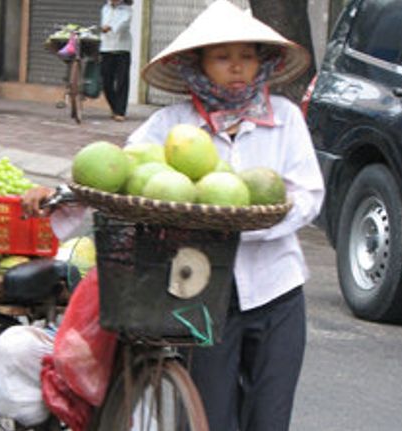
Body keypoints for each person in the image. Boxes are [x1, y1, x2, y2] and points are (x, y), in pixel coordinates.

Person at [25, 2, 323, 430]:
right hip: (198, 294)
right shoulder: (172, 124)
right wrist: (61, 196)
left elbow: (308, 195)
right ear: (198, 65)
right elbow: (118, 175)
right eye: (223, 57)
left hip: (276, 290)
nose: (237, 67)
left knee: (270, 417)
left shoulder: (287, 120)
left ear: (262, 62)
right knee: (209, 417)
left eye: (247, 56)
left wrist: (238, 226)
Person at [99, 0, 132, 122]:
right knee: (106, 81)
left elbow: (123, 25)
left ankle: (120, 111)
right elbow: (103, 23)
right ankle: (114, 107)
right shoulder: (105, 8)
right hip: (106, 48)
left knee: (122, 81)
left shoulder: (127, 10)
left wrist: (111, 27)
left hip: (122, 48)